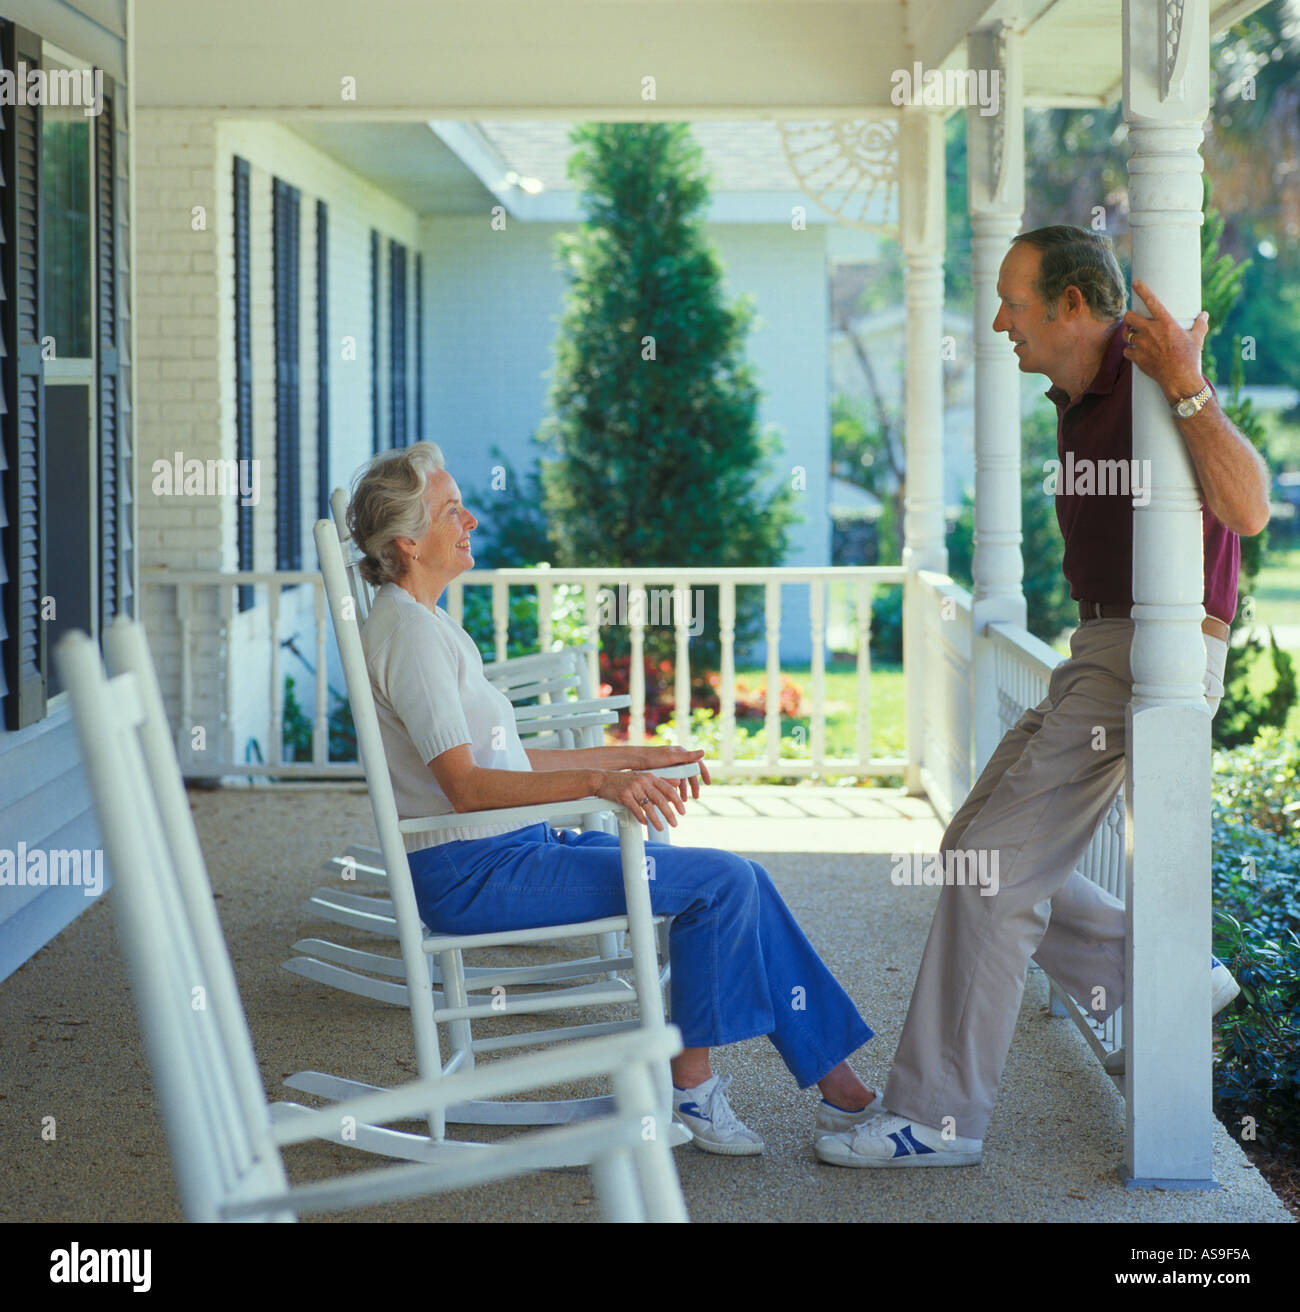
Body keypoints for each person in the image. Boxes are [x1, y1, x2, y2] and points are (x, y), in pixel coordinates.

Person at [818, 225, 1271, 1169]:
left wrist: (1187, 383)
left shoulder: (1150, 371)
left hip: (1157, 651)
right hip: (1100, 645)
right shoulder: (1079, 394)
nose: (997, 323)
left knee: (990, 868)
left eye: (1013, 302)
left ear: (1072, 305)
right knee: (970, 843)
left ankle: (937, 1120)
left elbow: (1251, 508)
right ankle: (1164, 977)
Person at [347, 440, 879, 1155]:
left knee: (738, 878)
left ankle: (838, 1088)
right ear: (409, 544)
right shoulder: (408, 635)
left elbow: (505, 759)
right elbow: (467, 787)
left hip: (510, 847)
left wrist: (635, 755)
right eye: (451, 510)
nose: (469, 519)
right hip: (476, 873)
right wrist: (601, 783)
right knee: (718, 886)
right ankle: (703, 1089)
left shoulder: (426, 620)